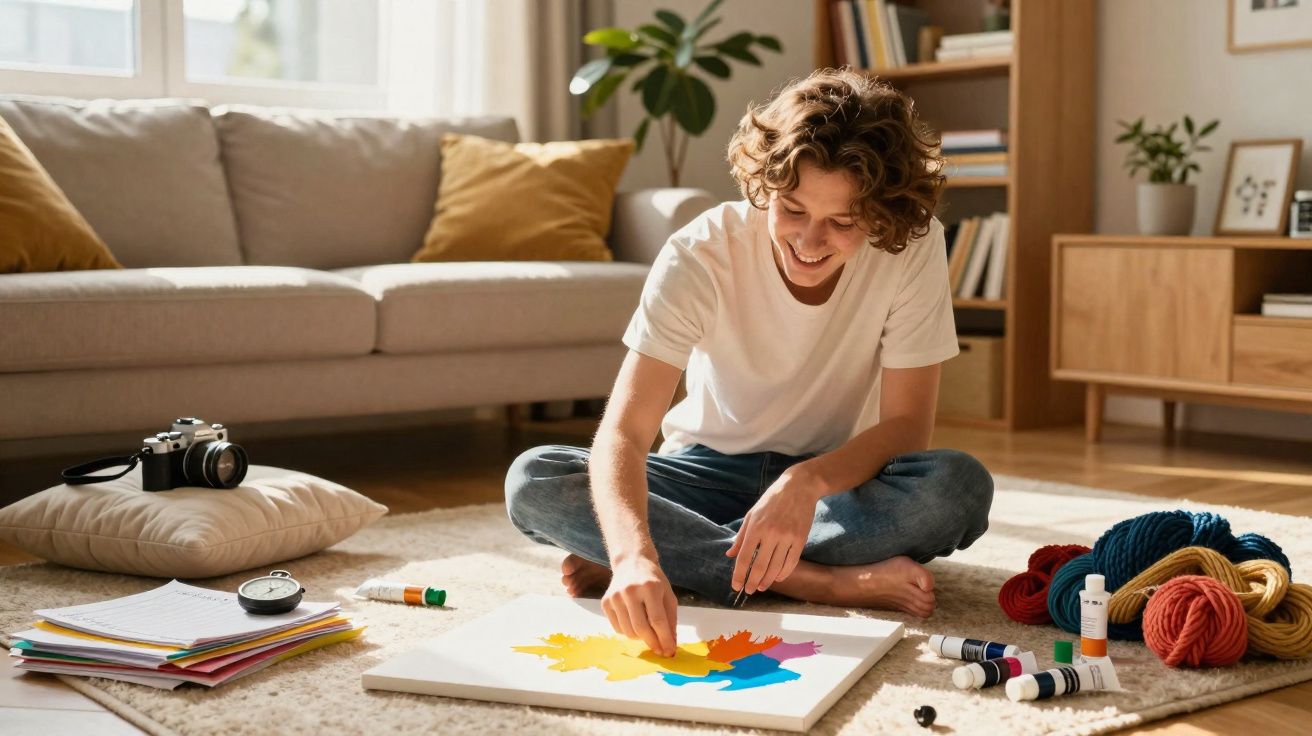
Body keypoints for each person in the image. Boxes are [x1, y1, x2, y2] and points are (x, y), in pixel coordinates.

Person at [505, 68, 993, 658]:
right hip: (702, 475)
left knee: (958, 488)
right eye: (791, 209)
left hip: (835, 486)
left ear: (882, 215)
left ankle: (690, 557)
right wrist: (634, 555)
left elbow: (908, 429)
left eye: (842, 223)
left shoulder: (911, 247)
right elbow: (627, 432)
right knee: (534, 478)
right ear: (763, 187)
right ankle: (812, 580)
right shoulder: (700, 252)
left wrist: (803, 483)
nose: (810, 243)